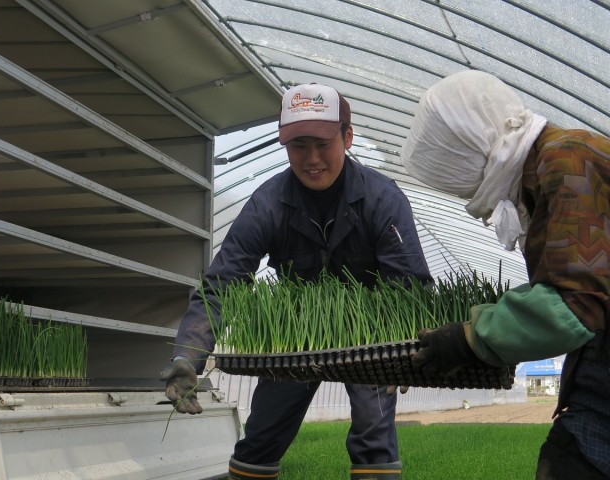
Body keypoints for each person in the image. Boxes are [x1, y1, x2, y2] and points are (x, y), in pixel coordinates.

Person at [160, 83, 432, 480]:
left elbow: (410, 286)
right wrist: (188, 355)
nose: (312, 159)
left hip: (371, 339)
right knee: (261, 435)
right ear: (284, 144)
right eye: (299, 146)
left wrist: (411, 352)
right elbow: (222, 283)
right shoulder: (268, 203)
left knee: (374, 433)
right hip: (296, 340)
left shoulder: (381, 199)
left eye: (323, 143)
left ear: (348, 136)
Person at [402, 70, 610, 479]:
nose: (467, 193)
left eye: (461, 177)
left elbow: (576, 304)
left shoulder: (567, 159)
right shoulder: (552, 166)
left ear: (472, 151)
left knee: (569, 462)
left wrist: (469, 338)